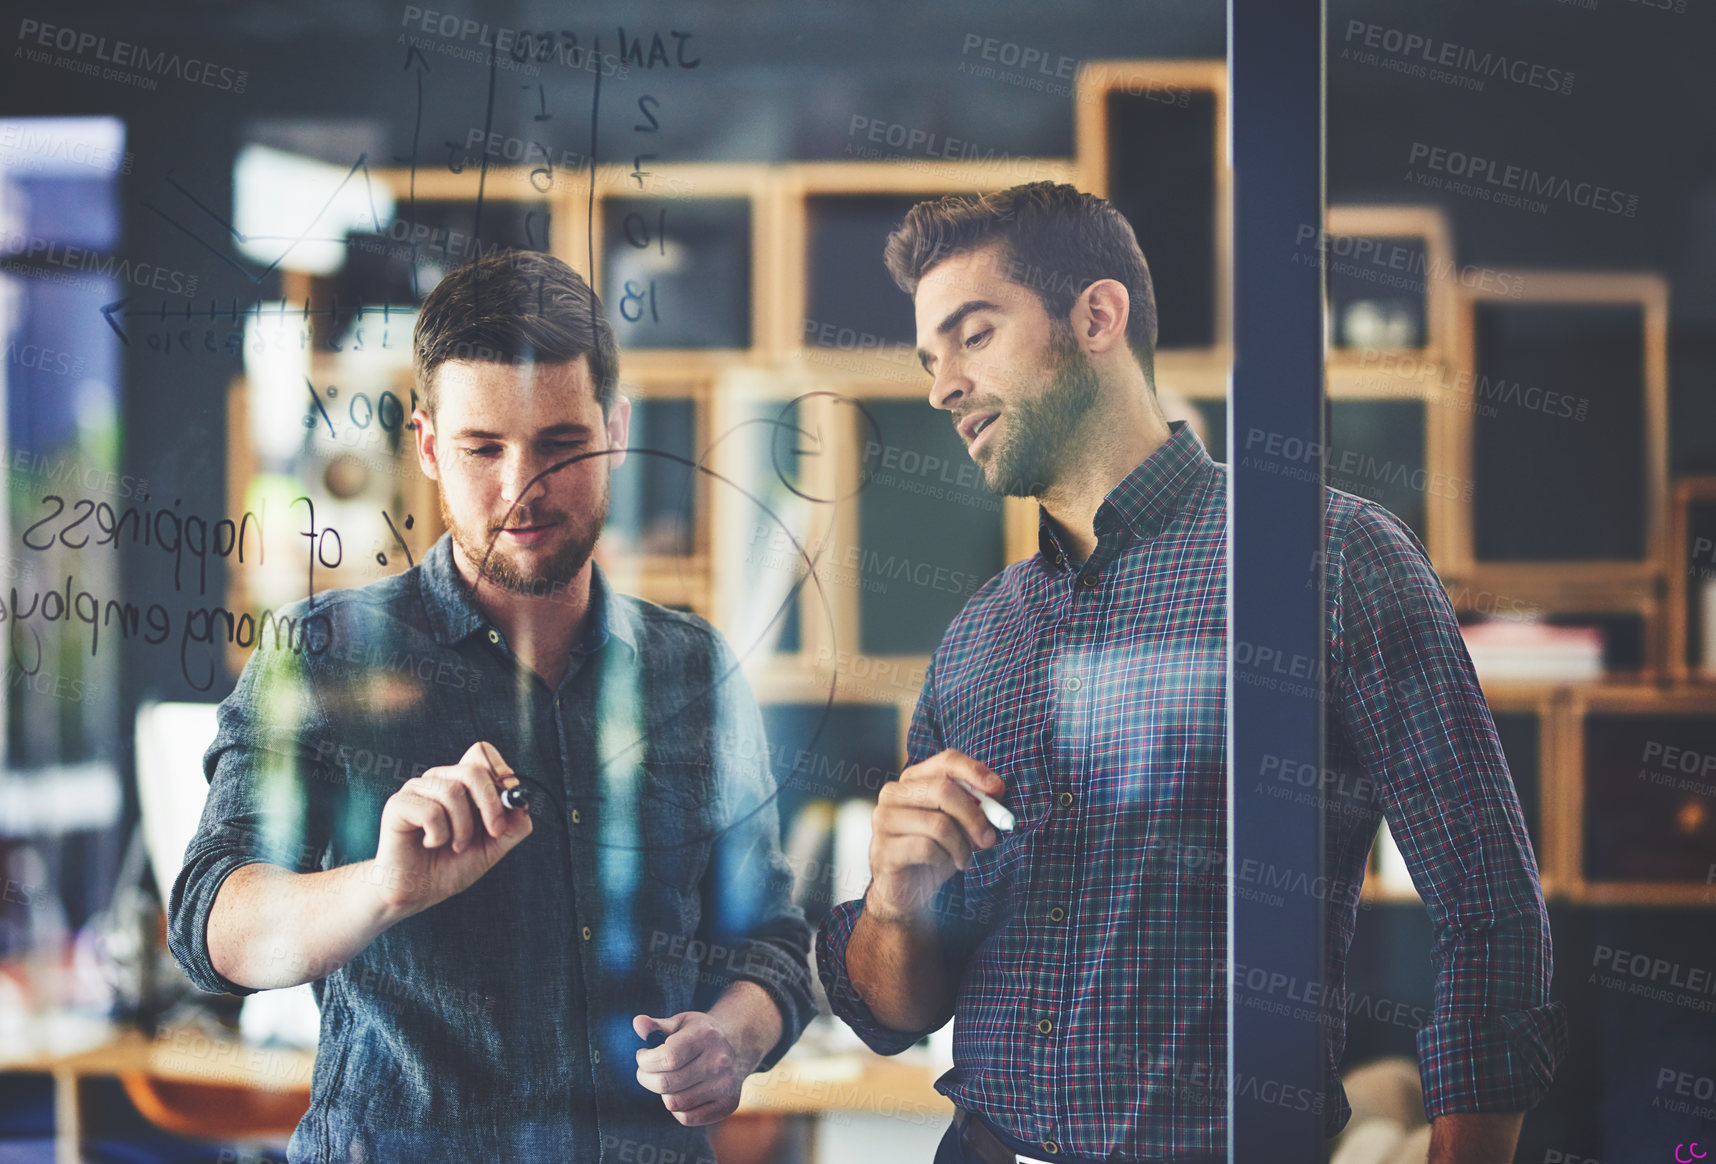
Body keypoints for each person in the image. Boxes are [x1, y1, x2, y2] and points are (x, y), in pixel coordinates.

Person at [815, 182, 1567, 1164]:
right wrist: (890, 902)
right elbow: (900, 1010)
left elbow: (1492, 917)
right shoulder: (975, 641)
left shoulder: (1329, 559)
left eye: (974, 335)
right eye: (929, 358)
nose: (941, 385)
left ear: (1096, 316)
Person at [168, 250, 815, 1163]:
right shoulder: (317, 655)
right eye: (483, 448)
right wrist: (382, 889)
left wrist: (736, 1038)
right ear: (429, 447)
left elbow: (772, 941)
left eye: (561, 445)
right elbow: (209, 923)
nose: (523, 487)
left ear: (617, 430)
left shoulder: (694, 670)